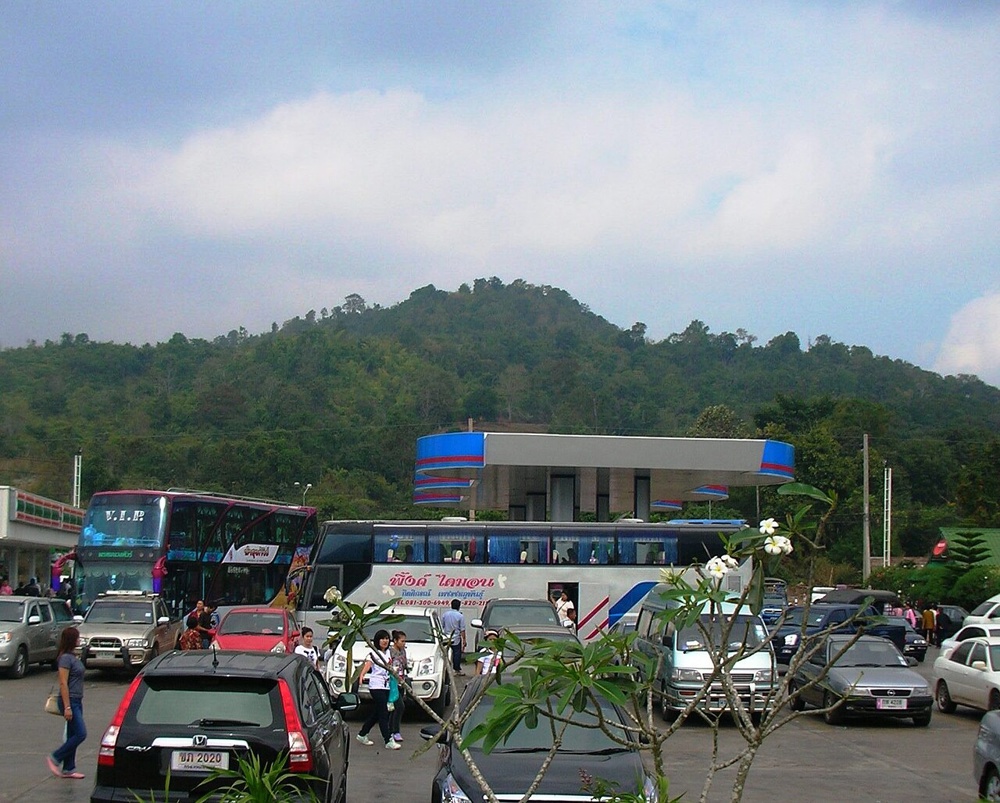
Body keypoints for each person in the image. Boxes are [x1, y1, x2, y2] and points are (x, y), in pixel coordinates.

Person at [47, 626, 87, 780]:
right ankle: (55, 757)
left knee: (72, 733)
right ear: (71, 639)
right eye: (77, 637)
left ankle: (68, 768)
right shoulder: (65, 659)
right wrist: (68, 706)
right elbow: (63, 683)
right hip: (69, 701)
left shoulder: (72, 657)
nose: (79, 640)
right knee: (80, 734)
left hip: (77, 699)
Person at [355, 630, 400, 750]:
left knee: (377, 712)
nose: (385, 641)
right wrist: (361, 675)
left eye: (386, 638)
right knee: (383, 713)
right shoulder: (374, 653)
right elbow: (368, 665)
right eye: (382, 638)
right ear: (377, 640)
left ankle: (362, 734)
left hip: (386, 685)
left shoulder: (388, 653)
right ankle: (388, 739)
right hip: (376, 685)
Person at [388, 630, 409, 742]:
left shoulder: (403, 651)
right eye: (402, 641)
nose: (404, 643)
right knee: (399, 706)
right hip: (393, 683)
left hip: (401, 681)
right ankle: (394, 731)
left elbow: (404, 665)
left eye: (405, 641)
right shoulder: (390, 652)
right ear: (395, 641)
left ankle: (392, 730)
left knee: (396, 708)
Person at [441, 599, 466, 675]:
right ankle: (457, 670)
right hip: (456, 638)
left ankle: (446, 669)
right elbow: (462, 629)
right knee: (456, 654)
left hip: (446, 638)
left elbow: (442, 626)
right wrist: (464, 640)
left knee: (445, 654)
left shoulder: (445, 614)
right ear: (459, 606)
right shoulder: (460, 616)